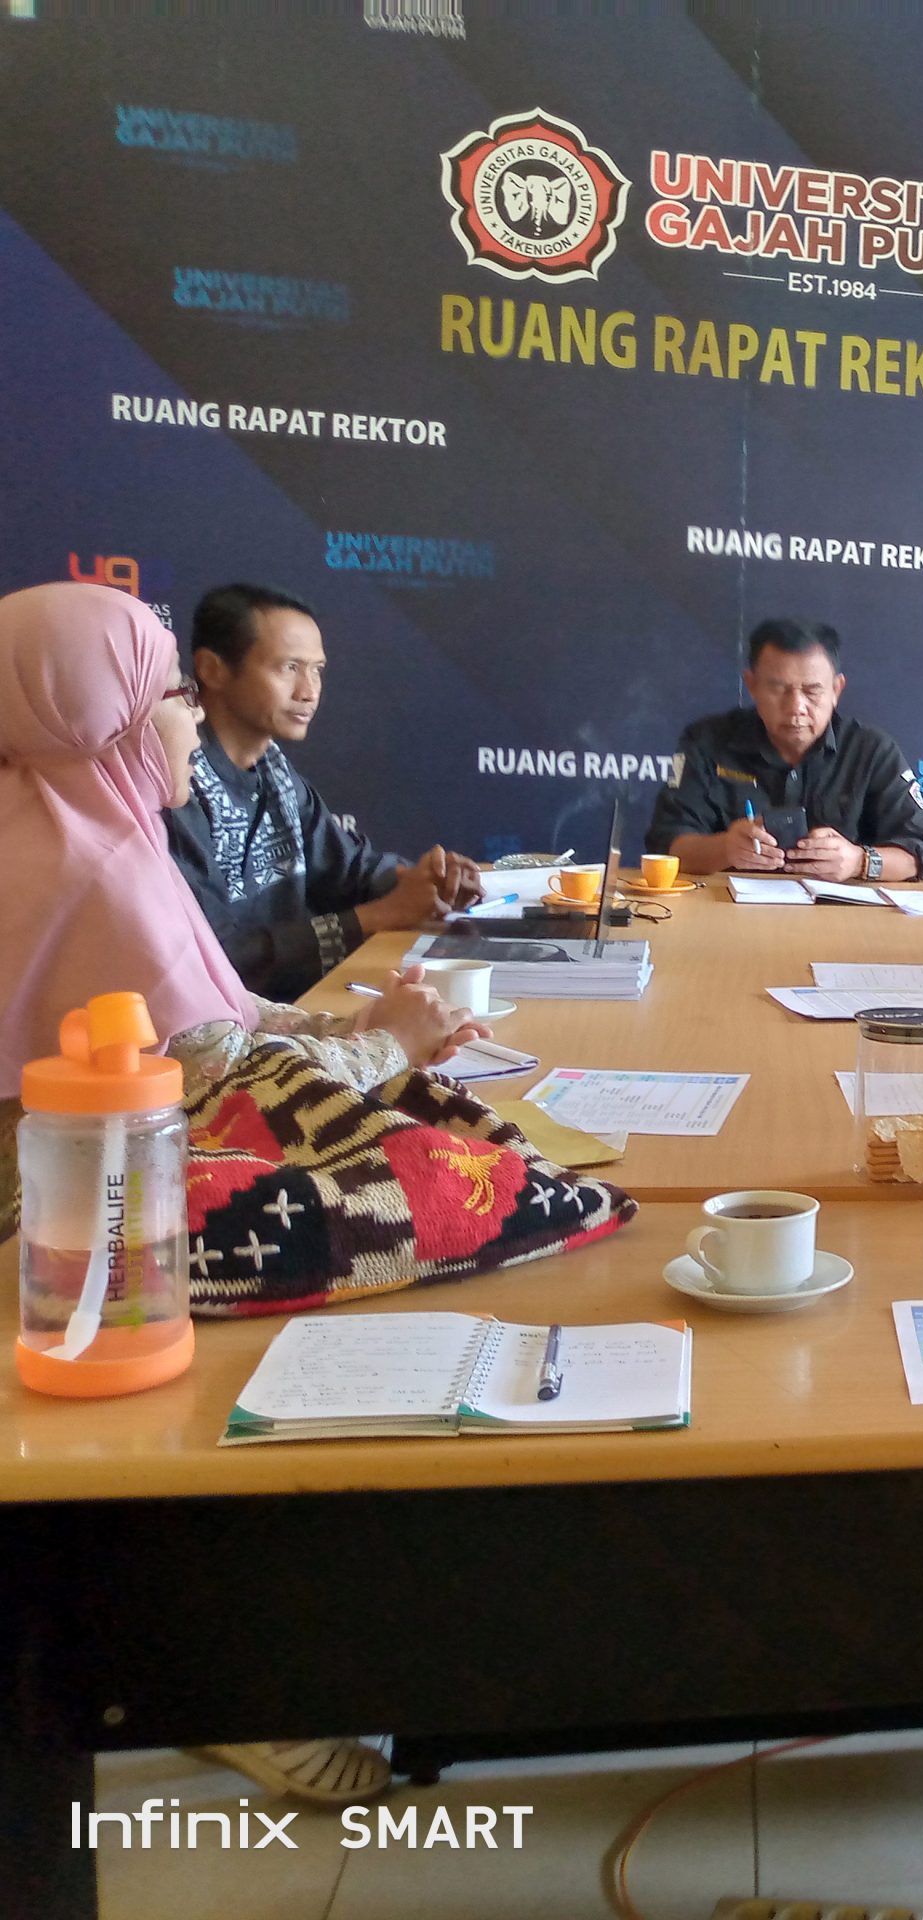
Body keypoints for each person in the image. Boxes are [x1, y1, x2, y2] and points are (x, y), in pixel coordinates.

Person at [0, 580, 490, 1804]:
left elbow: (224, 1016)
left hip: (98, 1217)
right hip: (77, 1252)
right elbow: (220, 1090)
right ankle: (240, 1678)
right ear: (99, 717)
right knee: (401, 1244)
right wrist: (385, 1050)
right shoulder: (90, 867)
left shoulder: (65, 818)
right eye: (157, 691)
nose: (173, 714)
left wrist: (370, 1030)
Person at [164, 583, 483, 1001]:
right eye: (288, 667)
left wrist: (426, 881)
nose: (309, 691)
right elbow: (219, 957)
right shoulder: (176, 784)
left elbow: (347, 870)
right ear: (212, 669)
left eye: (317, 669)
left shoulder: (273, 769)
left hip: (298, 1012)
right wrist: (380, 915)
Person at [648, 616, 923, 882]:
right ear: (751, 686)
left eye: (811, 691)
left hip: (844, 926)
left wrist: (860, 861)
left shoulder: (871, 751)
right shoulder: (707, 742)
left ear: (836, 690)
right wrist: (725, 848)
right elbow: (667, 844)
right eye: (779, 689)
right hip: (731, 918)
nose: (796, 708)